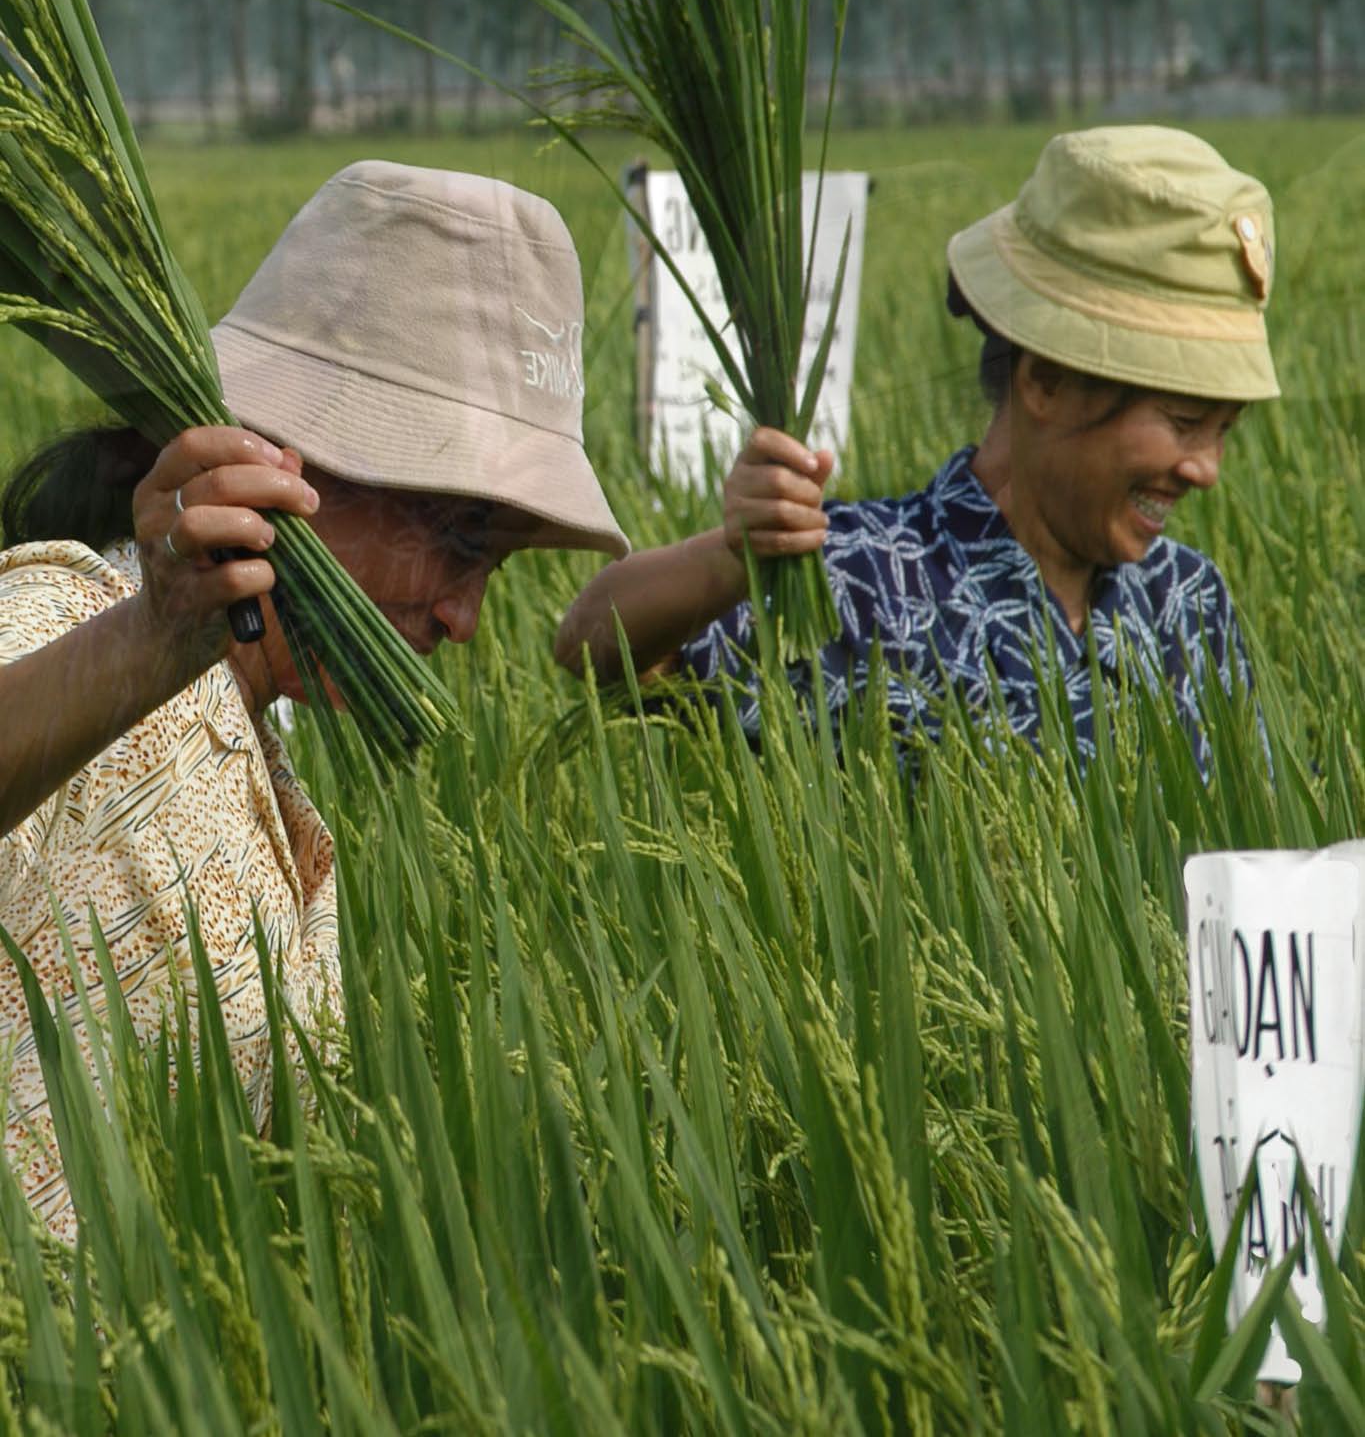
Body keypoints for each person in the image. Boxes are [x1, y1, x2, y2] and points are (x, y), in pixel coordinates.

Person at [0, 160, 627, 1239]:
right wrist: (148, 640)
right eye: (462, 542)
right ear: (293, 466)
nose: (467, 620)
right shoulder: (66, 621)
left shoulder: (253, 717)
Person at [555, 125, 1278, 767]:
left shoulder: (1186, 599)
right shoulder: (864, 580)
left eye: (1223, 430)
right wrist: (737, 554)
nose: (1205, 469)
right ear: (1047, 382)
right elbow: (595, 649)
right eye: (1183, 423)